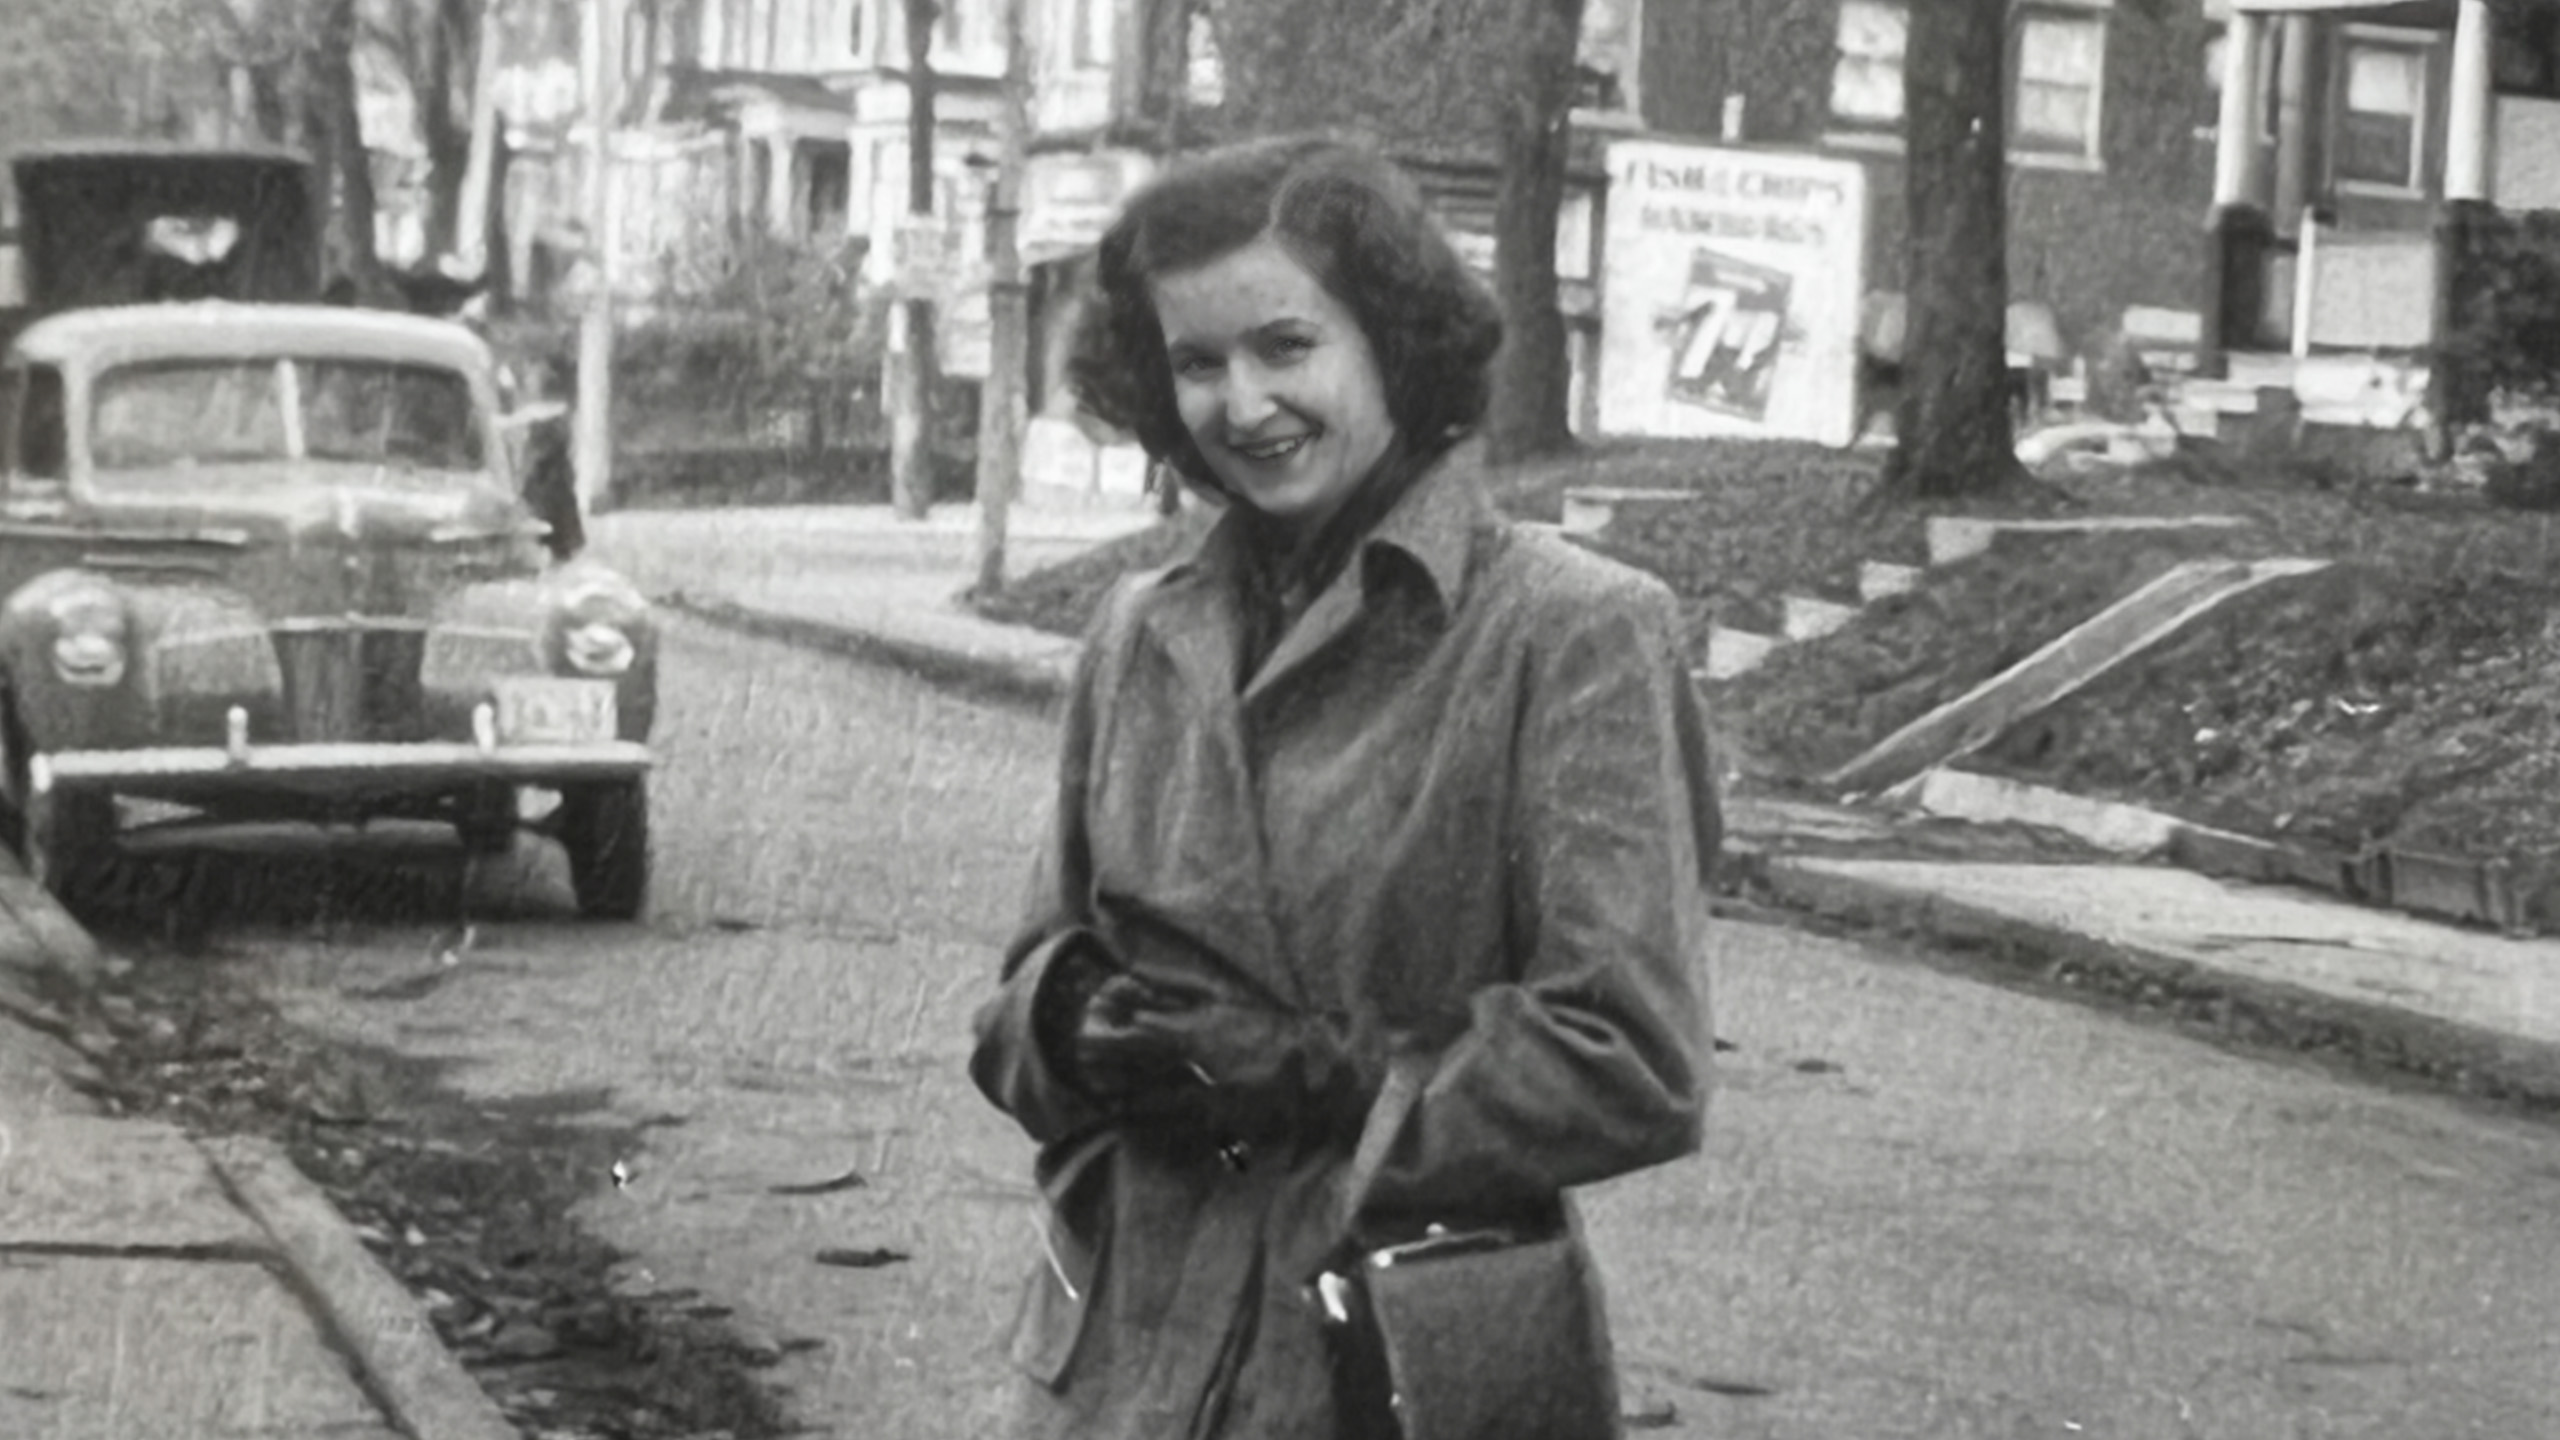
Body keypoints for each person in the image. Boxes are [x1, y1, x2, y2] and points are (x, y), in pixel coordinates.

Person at [969, 136, 1718, 1440]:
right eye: (1197, 363)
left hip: (1392, 1373)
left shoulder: (1572, 630)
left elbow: (1631, 1060)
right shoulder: (1138, 630)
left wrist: (1316, 1077)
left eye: (1285, 346)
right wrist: (1074, 1022)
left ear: (1392, 338)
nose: (1242, 403)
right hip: (1118, 1372)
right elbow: (1021, 997)